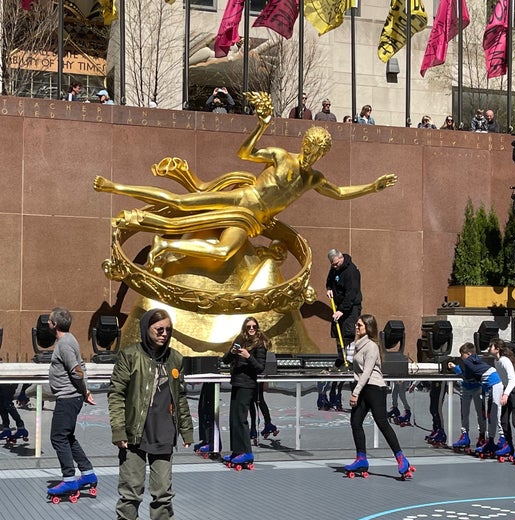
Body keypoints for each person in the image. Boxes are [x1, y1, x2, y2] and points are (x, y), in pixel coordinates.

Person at [94, 92, 397, 273]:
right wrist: (261, 126)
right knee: (179, 203)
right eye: (309, 148)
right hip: (241, 199)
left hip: (252, 221)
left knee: (224, 251)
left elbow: (341, 193)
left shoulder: (312, 178)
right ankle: (114, 187)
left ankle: (163, 245)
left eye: (317, 153)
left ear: (321, 155)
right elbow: (245, 152)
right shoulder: (280, 156)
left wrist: (373, 186)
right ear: (304, 144)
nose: (311, 154)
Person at [108, 308, 193, 520]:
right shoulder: (130, 355)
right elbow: (116, 393)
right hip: (134, 435)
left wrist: (187, 432)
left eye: (168, 330)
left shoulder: (175, 359)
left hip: (164, 435)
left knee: (163, 492)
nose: (164, 334)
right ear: (147, 329)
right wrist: (119, 431)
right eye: (159, 330)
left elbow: (180, 399)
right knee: (131, 490)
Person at [344, 314, 413, 479]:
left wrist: (355, 393)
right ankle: (361, 458)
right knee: (355, 422)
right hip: (362, 388)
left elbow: (367, 372)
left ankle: (401, 459)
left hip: (374, 388)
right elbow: (347, 359)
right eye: (356, 324)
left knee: (382, 423)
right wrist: (354, 338)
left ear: (367, 328)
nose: (356, 327)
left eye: (359, 325)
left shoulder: (372, 347)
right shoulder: (357, 345)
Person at [46, 307, 97, 499]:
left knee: (58, 438)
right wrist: (85, 391)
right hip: (71, 397)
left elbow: (77, 370)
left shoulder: (64, 344)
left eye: (49, 321)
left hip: (67, 398)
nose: (47, 323)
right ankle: (87, 473)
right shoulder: (70, 339)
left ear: (55, 324)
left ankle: (69, 480)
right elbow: (81, 365)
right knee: (67, 437)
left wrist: (84, 390)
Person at [222, 316, 269, 468]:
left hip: (248, 385)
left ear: (257, 328)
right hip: (236, 382)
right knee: (233, 418)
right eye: (248, 326)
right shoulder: (240, 340)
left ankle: (247, 452)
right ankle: (237, 450)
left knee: (241, 418)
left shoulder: (260, 345)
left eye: (254, 326)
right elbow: (225, 360)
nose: (251, 329)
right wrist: (232, 351)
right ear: (244, 328)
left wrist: (248, 356)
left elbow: (260, 368)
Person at [324, 249, 362, 410]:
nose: (335, 267)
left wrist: (342, 310)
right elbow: (329, 280)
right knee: (337, 334)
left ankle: (348, 362)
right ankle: (341, 359)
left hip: (350, 308)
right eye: (333, 265)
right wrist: (328, 288)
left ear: (341, 258)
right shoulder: (335, 268)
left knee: (347, 334)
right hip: (339, 306)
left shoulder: (351, 271)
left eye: (336, 263)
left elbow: (351, 294)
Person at [448, 342, 499, 452]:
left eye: (463, 354)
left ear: (469, 353)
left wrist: (457, 369)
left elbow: (468, 374)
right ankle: (465, 434)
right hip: (466, 388)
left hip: (477, 388)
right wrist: (456, 368)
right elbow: (465, 374)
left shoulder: (473, 361)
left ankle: (482, 435)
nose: (461, 357)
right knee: (464, 412)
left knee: (480, 413)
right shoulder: (465, 362)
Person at [489, 338, 515, 463]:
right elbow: (504, 380)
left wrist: (505, 394)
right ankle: (508, 445)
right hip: (507, 390)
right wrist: (504, 393)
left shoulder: (505, 361)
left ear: (497, 348)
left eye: (491, 346)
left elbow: (512, 379)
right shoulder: (496, 361)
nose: (489, 348)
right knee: (504, 419)